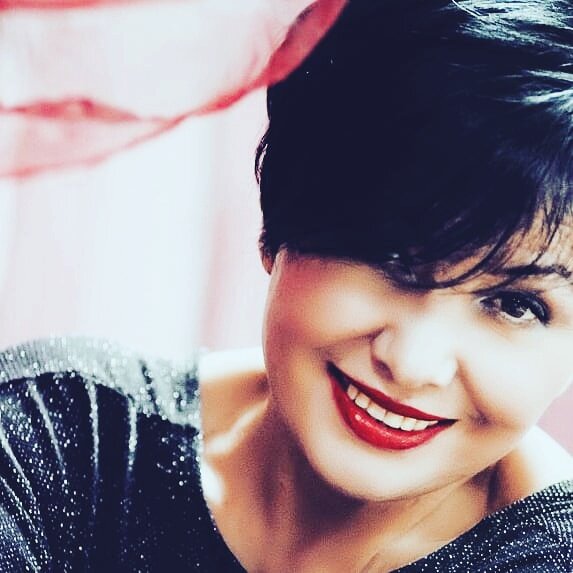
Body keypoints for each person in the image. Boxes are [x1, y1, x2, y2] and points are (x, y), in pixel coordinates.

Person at [0, 0, 572, 571]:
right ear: (280, 223)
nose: (412, 363)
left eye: (515, 305)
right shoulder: (63, 435)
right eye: (390, 257)